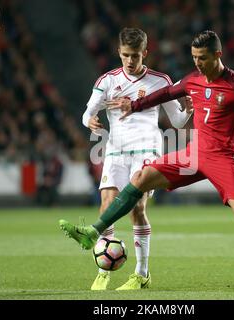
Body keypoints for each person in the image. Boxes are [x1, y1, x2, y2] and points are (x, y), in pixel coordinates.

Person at [59, 30, 234, 288]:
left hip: (224, 158)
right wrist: (134, 106)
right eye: (194, 57)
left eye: (202, 58)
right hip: (193, 155)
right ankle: (93, 232)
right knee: (140, 178)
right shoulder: (192, 80)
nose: (197, 63)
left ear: (218, 54)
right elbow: (163, 95)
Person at [78, 27, 193, 290]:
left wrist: (186, 111)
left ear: (145, 53)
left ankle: (142, 273)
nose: (130, 60)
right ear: (119, 52)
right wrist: (90, 121)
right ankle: (104, 269)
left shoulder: (161, 81)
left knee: (136, 208)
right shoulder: (106, 81)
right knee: (106, 207)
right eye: (126, 55)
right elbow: (87, 113)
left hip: (146, 150)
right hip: (116, 149)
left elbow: (176, 121)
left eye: (135, 55)